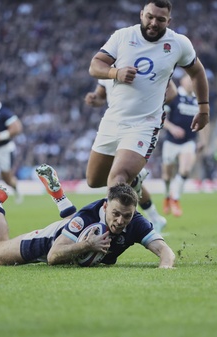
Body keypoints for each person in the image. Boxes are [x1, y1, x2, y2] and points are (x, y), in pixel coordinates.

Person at [86, 0, 210, 212]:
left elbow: (197, 72)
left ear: (168, 21)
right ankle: (136, 180)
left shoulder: (178, 43)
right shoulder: (123, 36)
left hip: (144, 124)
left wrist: (204, 108)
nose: (154, 23)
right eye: (150, 17)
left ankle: (114, 233)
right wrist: (116, 73)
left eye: (160, 20)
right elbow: (95, 65)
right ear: (141, 14)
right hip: (113, 120)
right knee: (95, 180)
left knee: (117, 177)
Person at [0, 164, 175, 268]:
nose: (121, 221)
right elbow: (52, 256)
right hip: (50, 240)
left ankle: (61, 198)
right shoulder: (88, 216)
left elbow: (165, 251)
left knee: (77, 223)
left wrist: (165, 266)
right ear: (105, 206)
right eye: (116, 214)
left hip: (74, 229)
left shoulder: (135, 222)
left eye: (127, 216)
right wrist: (87, 245)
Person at [84, 78, 176, 232]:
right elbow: (101, 94)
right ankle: (152, 212)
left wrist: (148, 105)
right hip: (112, 123)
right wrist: (95, 98)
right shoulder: (107, 59)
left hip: (138, 126)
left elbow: (172, 91)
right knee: (94, 180)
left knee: (119, 177)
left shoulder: (144, 56)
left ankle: (111, 230)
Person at [161, 74, 209, 217]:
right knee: (167, 176)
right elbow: (160, 117)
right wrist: (172, 128)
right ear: (182, 81)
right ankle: (167, 196)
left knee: (185, 169)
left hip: (189, 141)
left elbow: (205, 120)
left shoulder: (197, 100)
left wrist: (203, 140)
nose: (191, 83)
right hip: (171, 142)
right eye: (189, 80)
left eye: (193, 81)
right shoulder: (174, 96)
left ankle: (175, 198)